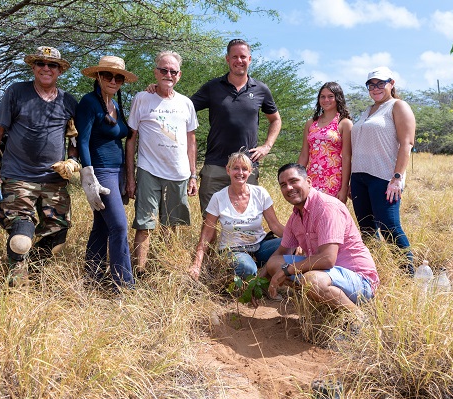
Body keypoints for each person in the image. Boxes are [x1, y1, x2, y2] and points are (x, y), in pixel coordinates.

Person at [0, 46, 78, 287]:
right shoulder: (16, 92)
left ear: (60, 70)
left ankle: (35, 273)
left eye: (52, 65)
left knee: (56, 235)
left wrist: (73, 161)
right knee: (21, 235)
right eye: (41, 64)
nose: (46, 68)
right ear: (33, 67)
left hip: (54, 179)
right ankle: (16, 282)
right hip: (19, 176)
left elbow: (74, 138)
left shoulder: (68, 101)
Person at [261, 163, 379, 321]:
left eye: (294, 181)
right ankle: (323, 301)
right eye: (283, 185)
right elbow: (281, 254)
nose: (289, 188)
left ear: (308, 181)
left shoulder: (326, 207)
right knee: (275, 263)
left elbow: (327, 259)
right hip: (327, 274)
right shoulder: (296, 215)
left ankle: (358, 317)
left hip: (359, 281)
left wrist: (287, 270)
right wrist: (257, 282)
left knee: (311, 280)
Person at [126, 50, 198, 274]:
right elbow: (131, 140)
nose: (168, 74)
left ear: (179, 75)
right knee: (144, 224)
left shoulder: (186, 104)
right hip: (148, 170)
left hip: (178, 173)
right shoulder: (142, 98)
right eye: (164, 70)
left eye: (173, 71)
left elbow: (191, 141)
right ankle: (140, 272)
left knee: (172, 225)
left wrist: (193, 175)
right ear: (155, 72)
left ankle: (165, 270)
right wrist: (130, 177)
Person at [191, 39, 282, 213]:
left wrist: (266, 146)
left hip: (247, 167)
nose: (238, 61)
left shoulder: (261, 89)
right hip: (215, 165)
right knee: (210, 221)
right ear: (227, 59)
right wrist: (159, 90)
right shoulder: (213, 87)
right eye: (234, 57)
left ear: (249, 59)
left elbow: (276, 119)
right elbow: (184, 106)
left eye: (243, 57)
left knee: (247, 218)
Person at [75, 55, 138, 289]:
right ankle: (124, 285)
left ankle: (92, 277)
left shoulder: (115, 104)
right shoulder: (89, 102)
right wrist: (88, 174)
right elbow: (83, 140)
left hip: (118, 170)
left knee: (102, 225)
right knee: (119, 226)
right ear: (99, 76)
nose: (113, 80)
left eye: (118, 77)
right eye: (108, 75)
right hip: (101, 171)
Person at [350, 66, 415, 275]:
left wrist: (397, 178)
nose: (376, 88)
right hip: (359, 177)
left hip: (383, 177)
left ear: (391, 83)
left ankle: (408, 275)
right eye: (371, 84)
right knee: (367, 228)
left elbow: (407, 143)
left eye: (381, 83)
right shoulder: (367, 111)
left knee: (389, 227)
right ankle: (375, 271)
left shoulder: (398, 106)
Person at [189, 152, 284, 281]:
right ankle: (249, 275)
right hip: (234, 249)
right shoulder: (218, 198)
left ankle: (265, 277)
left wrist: (300, 241)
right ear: (228, 170)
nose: (240, 172)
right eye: (235, 168)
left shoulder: (260, 193)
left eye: (244, 169)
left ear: (250, 172)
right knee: (247, 268)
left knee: (290, 246)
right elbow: (206, 234)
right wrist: (196, 264)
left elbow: (275, 226)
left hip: (259, 245)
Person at [298, 82, 352, 203]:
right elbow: (304, 155)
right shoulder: (310, 123)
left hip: (333, 179)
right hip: (311, 178)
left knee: (330, 217)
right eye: (322, 96)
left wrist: (344, 188)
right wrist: (297, 179)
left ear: (338, 98)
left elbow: (347, 157)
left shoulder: (344, 123)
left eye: (330, 96)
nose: (326, 100)